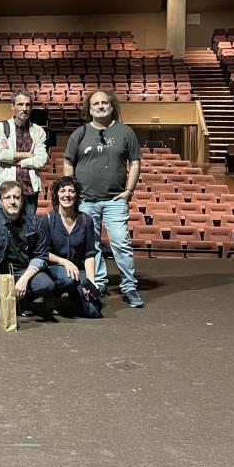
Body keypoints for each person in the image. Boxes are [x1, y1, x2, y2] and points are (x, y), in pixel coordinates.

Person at [63, 90, 143, 308]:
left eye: (104, 103)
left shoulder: (125, 132)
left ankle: (129, 286)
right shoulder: (80, 133)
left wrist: (129, 191)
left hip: (115, 200)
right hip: (86, 200)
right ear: (89, 109)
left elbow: (135, 162)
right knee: (92, 246)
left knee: (121, 243)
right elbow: (68, 163)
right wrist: (72, 191)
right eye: (96, 103)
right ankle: (98, 283)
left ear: (111, 105)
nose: (100, 106)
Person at [0, 181, 51, 321]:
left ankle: (23, 300)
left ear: (22, 200)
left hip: (22, 269)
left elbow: (41, 256)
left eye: (17, 197)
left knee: (46, 284)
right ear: (0, 200)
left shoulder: (35, 222)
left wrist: (24, 279)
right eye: (7, 197)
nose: (12, 201)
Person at [42, 176, 103, 319]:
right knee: (70, 280)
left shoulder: (86, 220)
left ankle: (75, 298)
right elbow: (43, 252)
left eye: (71, 191)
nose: (67, 195)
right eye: (63, 191)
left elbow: (89, 254)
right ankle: (52, 294)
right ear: (57, 195)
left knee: (93, 311)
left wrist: (90, 281)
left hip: (78, 270)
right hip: (54, 268)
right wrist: (64, 262)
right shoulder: (47, 220)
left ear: (77, 195)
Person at [0, 89, 49, 216]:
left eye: (28, 105)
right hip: (6, 190)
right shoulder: (2, 127)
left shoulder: (38, 131)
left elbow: (41, 160)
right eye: (20, 104)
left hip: (29, 191)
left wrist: (13, 159)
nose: (24, 108)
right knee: (2, 226)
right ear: (13, 106)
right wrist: (28, 155)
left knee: (28, 227)